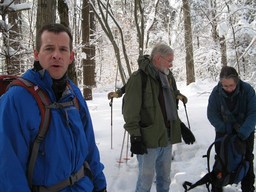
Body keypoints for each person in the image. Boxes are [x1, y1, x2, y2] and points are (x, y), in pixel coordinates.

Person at [0, 23, 107, 192]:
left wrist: (100, 185)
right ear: (36, 54)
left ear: (71, 57)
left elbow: (89, 146)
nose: (56, 55)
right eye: (49, 48)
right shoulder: (17, 99)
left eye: (63, 49)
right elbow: (8, 168)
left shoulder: (73, 92)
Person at [120, 43, 192, 192]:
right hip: (148, 139)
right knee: (145, 180)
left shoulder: (168, 76)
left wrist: (181, 126)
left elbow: (170, 104)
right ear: (158, 58)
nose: (171, 65)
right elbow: (130, 111)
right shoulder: (139, 78)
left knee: (165, 179)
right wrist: (135, 137)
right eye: (169, 61)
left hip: (167, 136)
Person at [207, 66, 256, 192]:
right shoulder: (216, 92)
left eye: (231, 85)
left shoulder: (247, 90)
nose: (228, 89)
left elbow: (253, 113)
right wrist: (225, 128)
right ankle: (217, 186)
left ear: (237, 81)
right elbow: (212, 114)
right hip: (224, 131)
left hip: (245, 131)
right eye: (225, 86)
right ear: (220, 83)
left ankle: (248, 188)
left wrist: (243, 133)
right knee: (221, 158)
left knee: (247, 158)